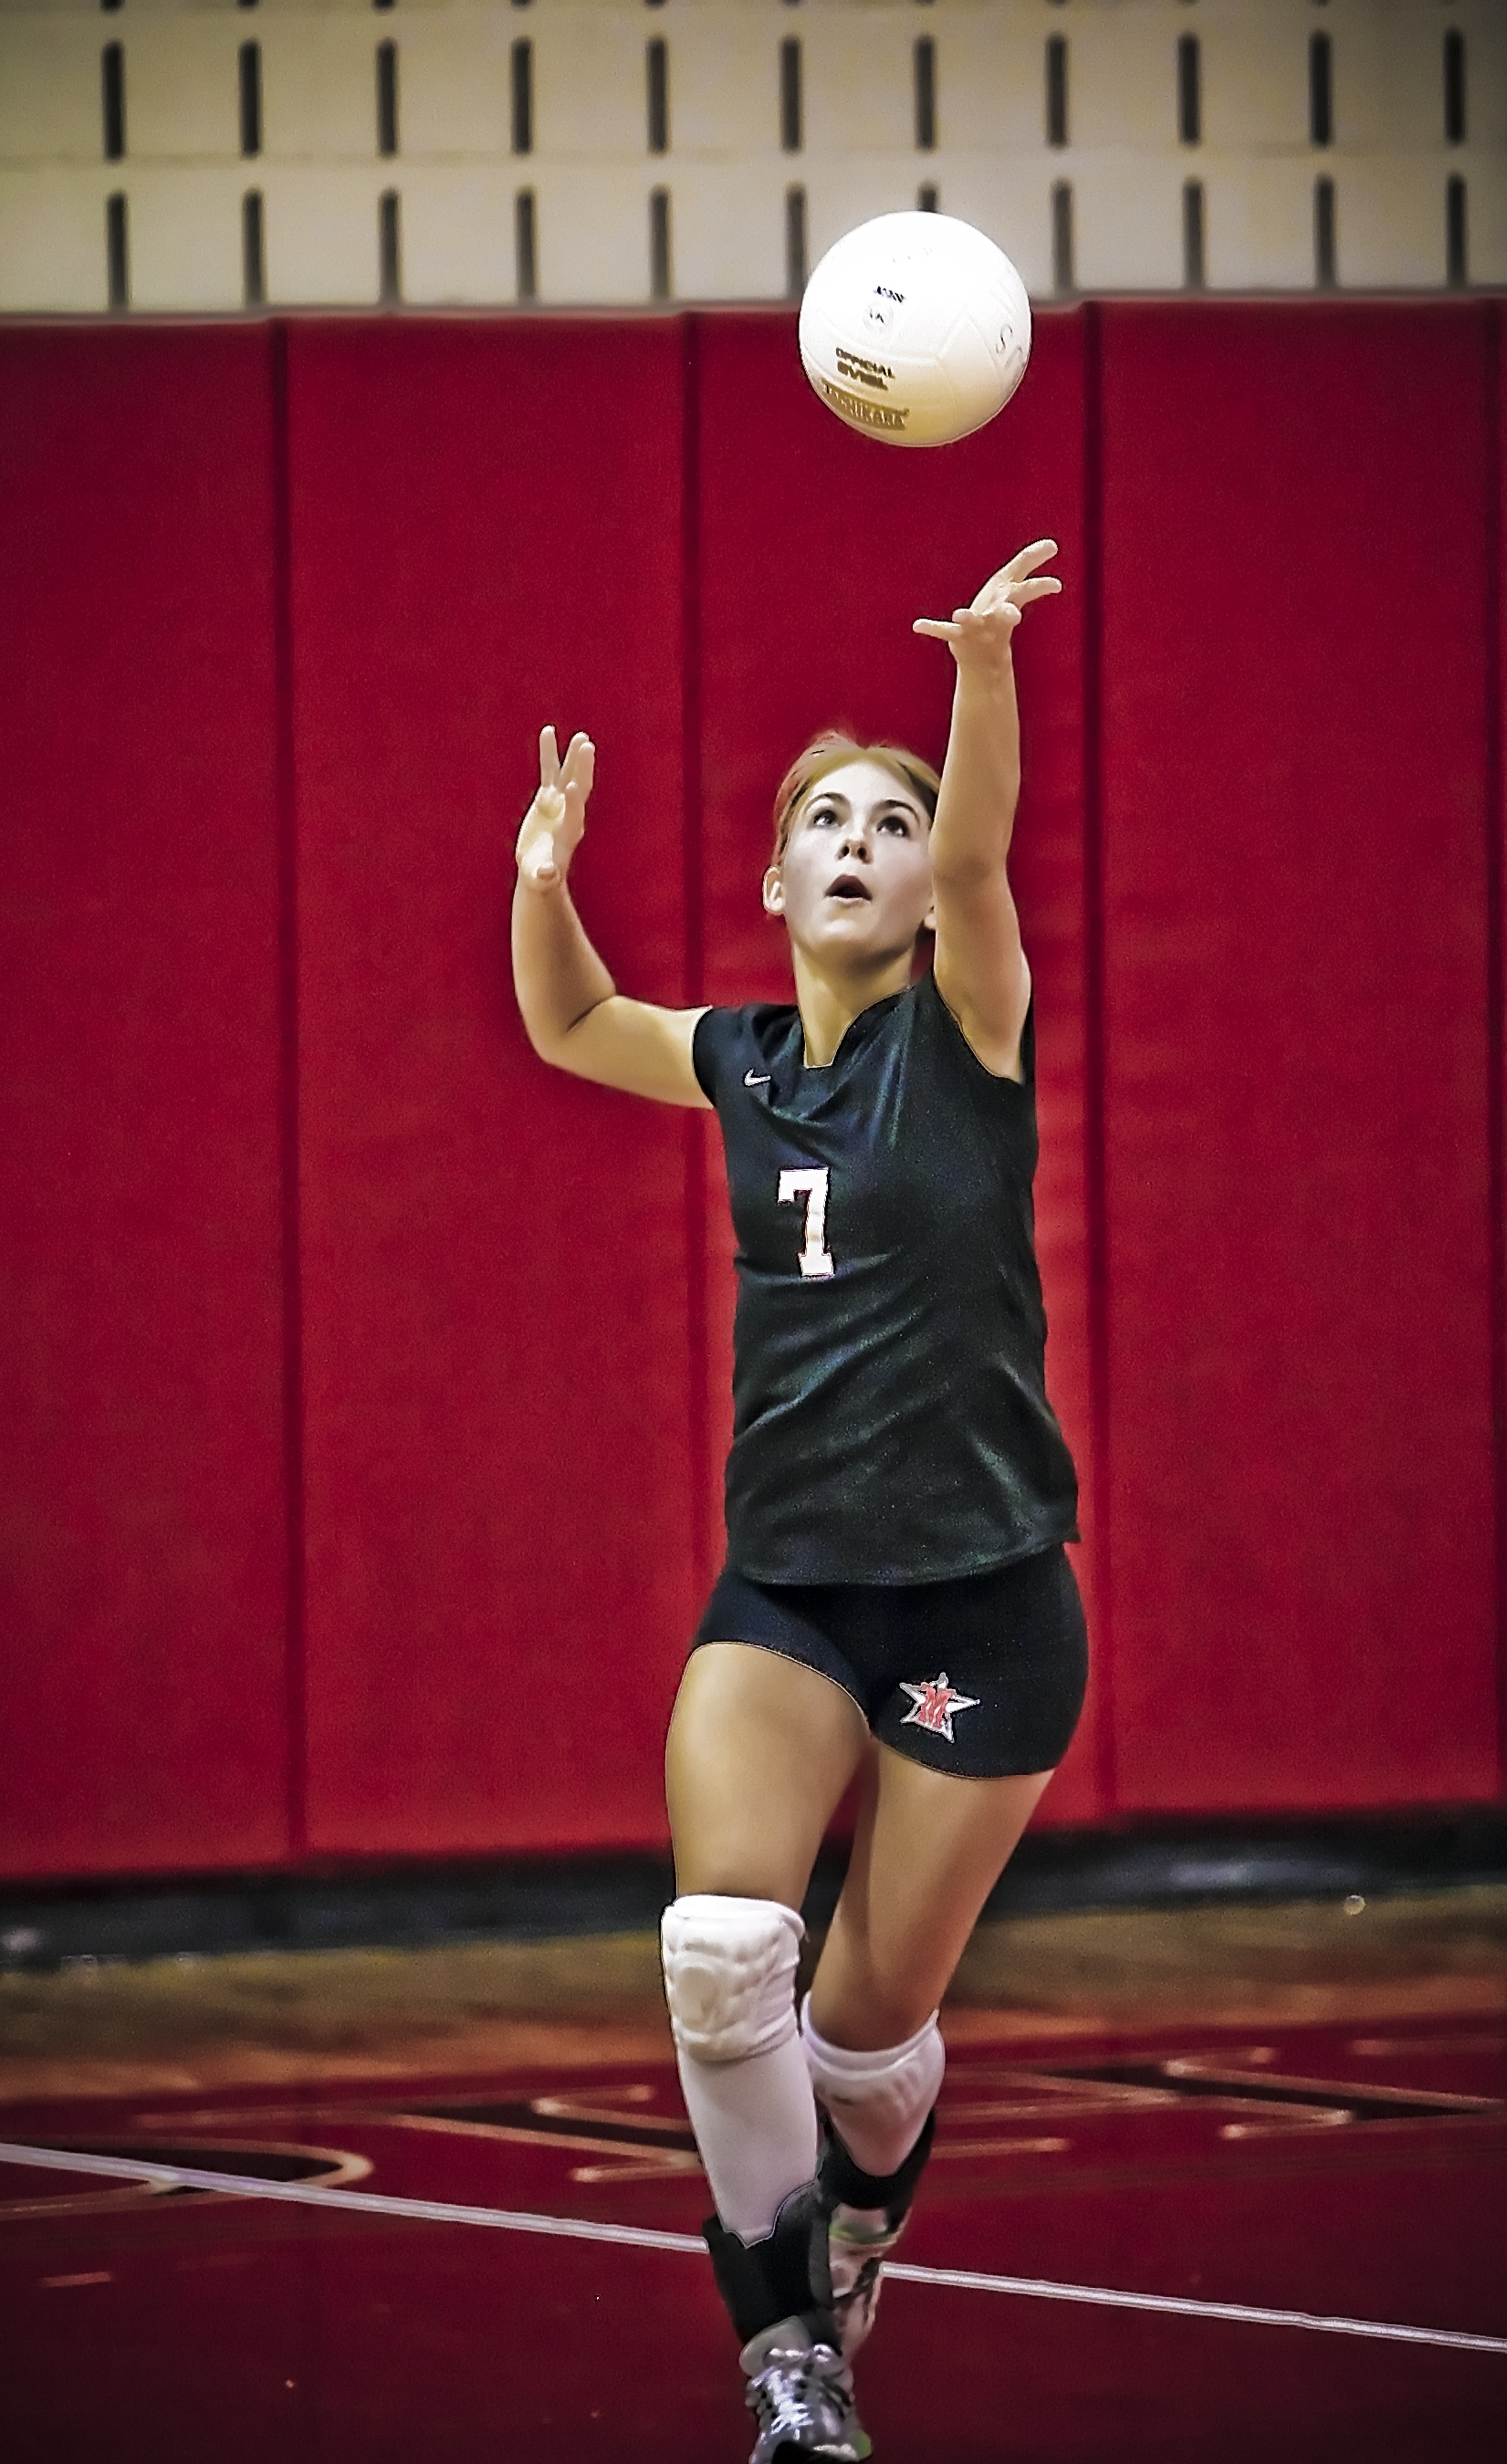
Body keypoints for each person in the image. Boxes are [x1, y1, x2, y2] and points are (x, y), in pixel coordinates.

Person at [511, 543, 1085, 2462]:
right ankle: (787, 2357)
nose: (863, 837)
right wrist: (540, 882)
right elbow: (575, 1027)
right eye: (825, 818)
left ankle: (857, 2219)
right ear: (775, 882)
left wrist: (978, 680)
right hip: (794, 1596)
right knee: (712, 1954)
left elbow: (993, 858)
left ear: (928, 889)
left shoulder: (971, 1033)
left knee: (858, 2047)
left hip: (987, 1604)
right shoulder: (750, 1063)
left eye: (894, 820)